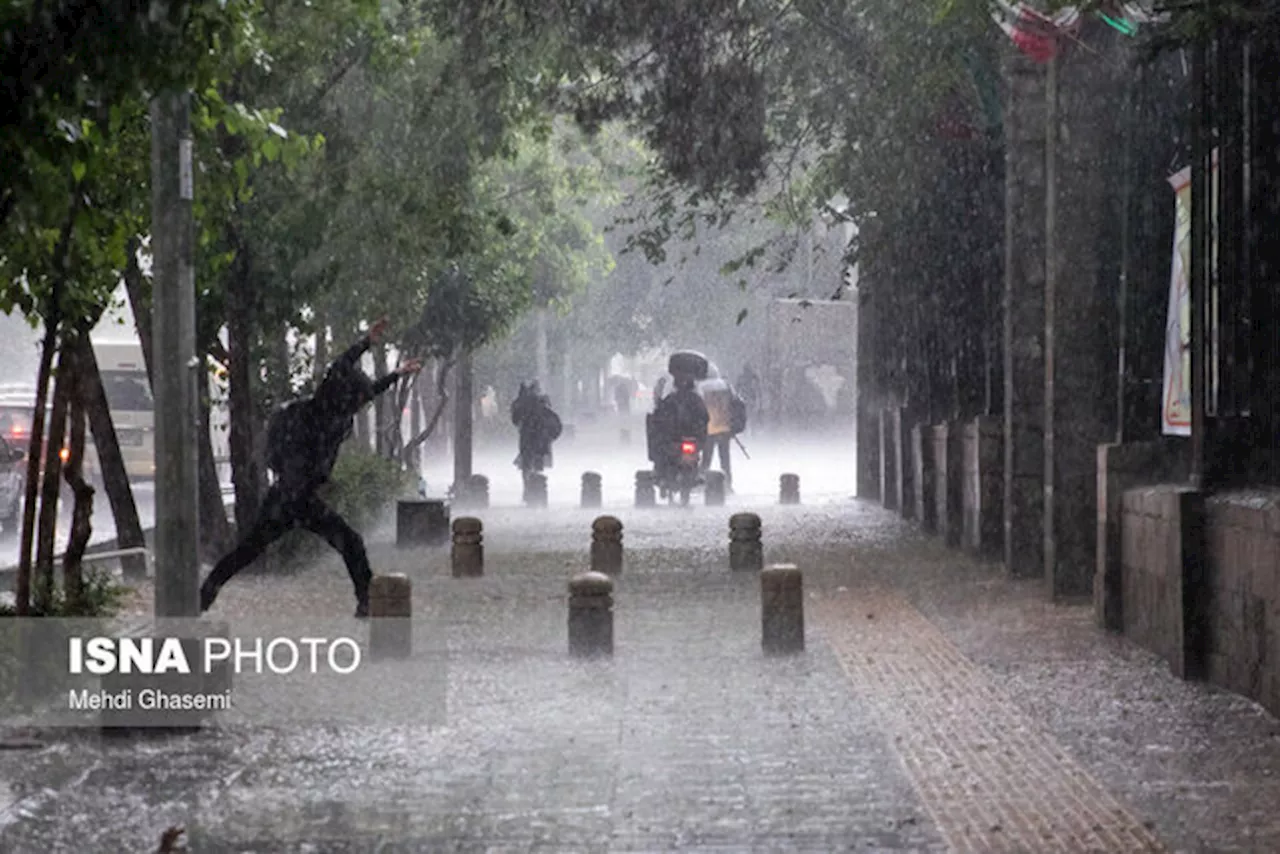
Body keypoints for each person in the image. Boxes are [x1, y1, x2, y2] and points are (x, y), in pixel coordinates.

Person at [199, 318, 422, 618]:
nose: (362, 402)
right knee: (350, 542)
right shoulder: (324, 407)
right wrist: (365, 342)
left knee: (251, 549)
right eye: (359, 397)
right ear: (348, 395)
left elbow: (367, 388)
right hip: (295, 495)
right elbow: (340, 366)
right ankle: (367, 601)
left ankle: (205, 594)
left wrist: (395, 373)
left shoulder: (337, 409)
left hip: (288, 494)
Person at [650, 371, 708, 487]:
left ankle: (662, 474)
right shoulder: (696, 400)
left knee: (663, 453)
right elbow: (705, 418)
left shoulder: (671, 399)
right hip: (692, 438)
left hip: (674, 439)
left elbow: (659, 414)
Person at [511, 383, 562, 483]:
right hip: (540, 441)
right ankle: (535, 487)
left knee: (527, 464)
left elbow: (515, 419)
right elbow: (556, 424)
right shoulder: (542, 405)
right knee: (536, 465)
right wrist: (550, 437)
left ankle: (529, 486)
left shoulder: (523, 406)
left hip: (528, 439)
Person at [698, 374, 737, 491]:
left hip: (709, 429)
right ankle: (728, 483)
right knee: (725, 459)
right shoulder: (725, 387)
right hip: (724, 428)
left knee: (706, 459)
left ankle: (701, 482)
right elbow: (735, 404)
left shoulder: (702, 388)